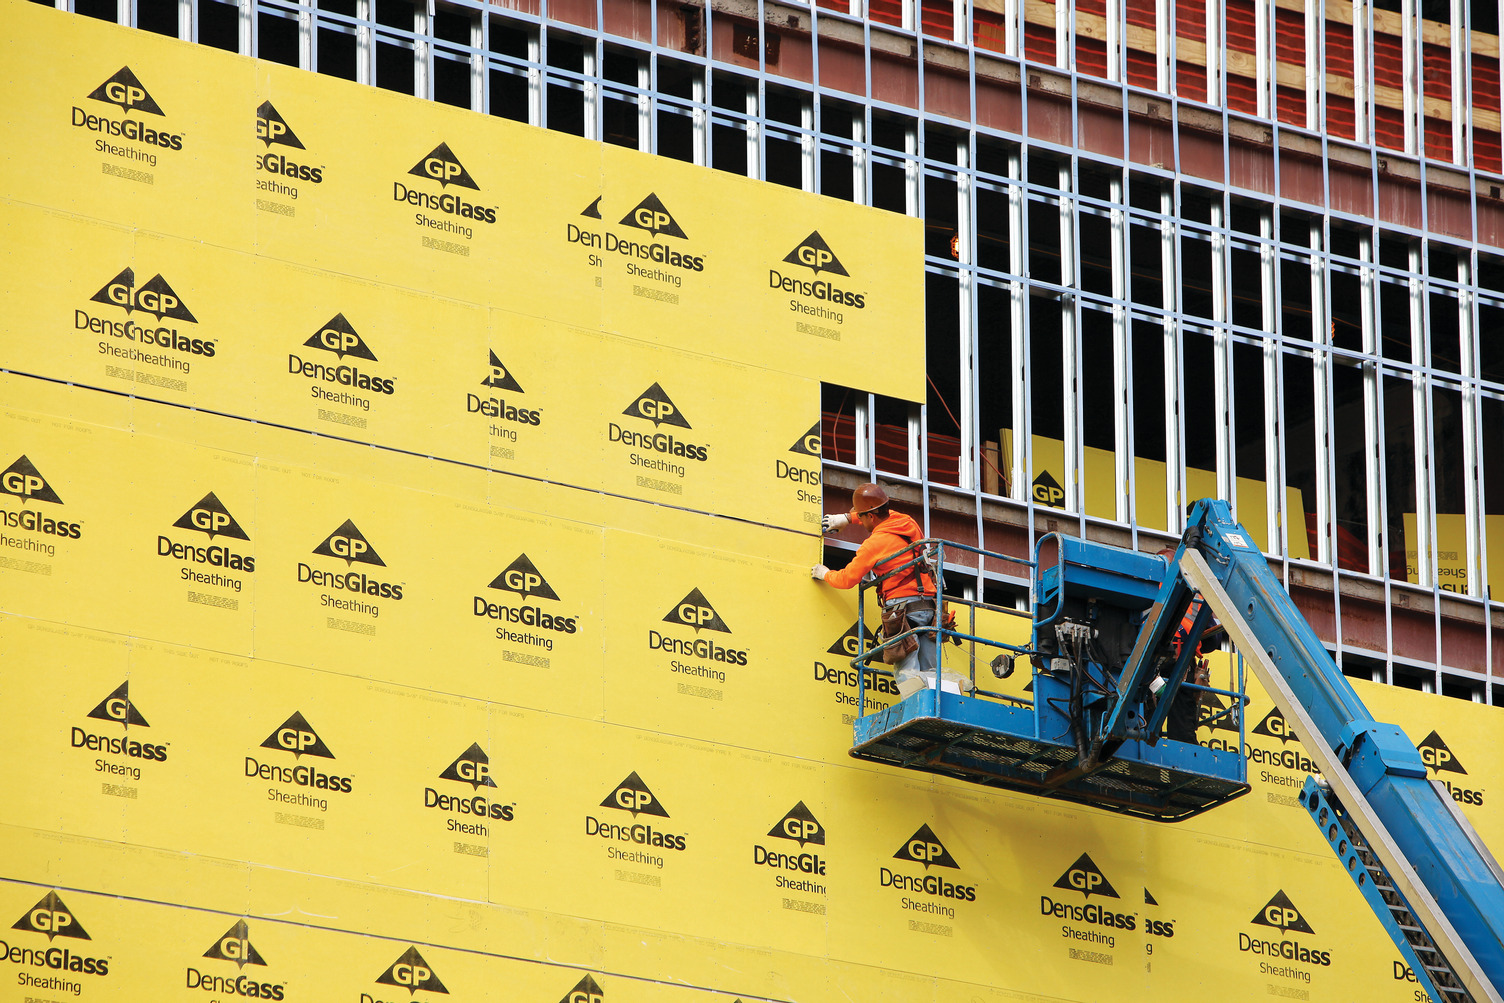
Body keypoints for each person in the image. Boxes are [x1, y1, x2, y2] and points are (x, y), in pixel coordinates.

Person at [812, 483, 938, 695]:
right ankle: (934, 711)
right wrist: (846, 518)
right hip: (928, 606)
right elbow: (886, 513)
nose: (860, 522)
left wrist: (824, 573)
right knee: (931, 671)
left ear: (870, 516)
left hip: (901, 610)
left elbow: (847, 579)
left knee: (908, 671)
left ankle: (918, 714)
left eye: (861, 518)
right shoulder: (906, 522)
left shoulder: (874, 544)